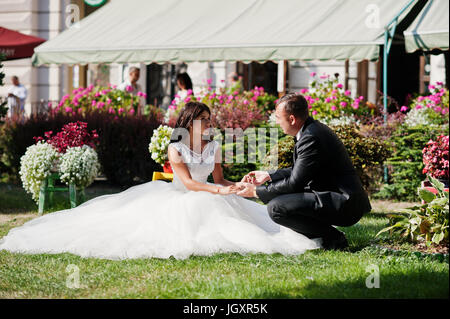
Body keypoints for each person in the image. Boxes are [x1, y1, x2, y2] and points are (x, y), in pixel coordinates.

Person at [0, 102, 320, 260]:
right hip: (181, 196)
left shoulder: (215, 145)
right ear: (190, 123)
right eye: (204, 120)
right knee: (201, 209)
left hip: (210, 192)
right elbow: (191, 184)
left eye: (210, 120)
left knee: (242, 216)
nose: (210, 124)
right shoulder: (176, 146)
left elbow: (220, 178)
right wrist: (218, 189)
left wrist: (237, 184)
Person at [237, 93, 372, 250]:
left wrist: (256, 191)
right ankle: (330, 236)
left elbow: (295, 183)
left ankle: (334, 238)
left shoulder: (311, 137)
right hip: (335, 197)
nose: (277, 122)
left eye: (278, 117)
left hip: (344, 203)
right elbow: (300, 170)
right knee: (280, 204)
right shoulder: (310, 130)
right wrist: (268, 175)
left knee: (276, 208)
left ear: (292, 119)